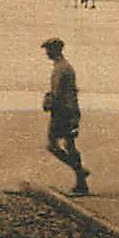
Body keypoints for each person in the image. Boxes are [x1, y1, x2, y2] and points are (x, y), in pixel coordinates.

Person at [41, 37, 90, 195]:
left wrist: (48, 102)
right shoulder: (64, 67)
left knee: (55, 145)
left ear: (55, 50)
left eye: (48, 50)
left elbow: (58, 93)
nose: (47, 53)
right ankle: (80, 178)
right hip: (67, 111)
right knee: (69, 145)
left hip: (64, 112)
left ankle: (80, 174)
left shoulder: (61, 69)